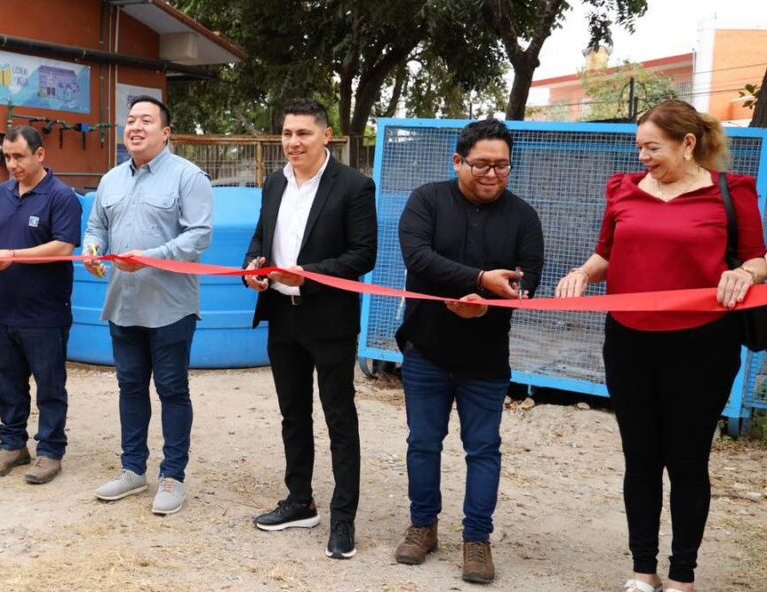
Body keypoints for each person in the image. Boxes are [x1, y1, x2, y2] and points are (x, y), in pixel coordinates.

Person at [555, 100, 765, 592]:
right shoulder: (624, 191)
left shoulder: (731, 193)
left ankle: (683, 576)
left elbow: (758, 258)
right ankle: (642, 570)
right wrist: (583, 273)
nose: (643, 157)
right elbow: (606, 252)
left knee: (688, 459)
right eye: (639, 148)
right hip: (629, 342)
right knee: (641, 458)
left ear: (688, 144)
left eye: (652, 147)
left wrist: (742, 272)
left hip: (703, 345)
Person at [392, 119, 544, 584]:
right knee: (423, 442)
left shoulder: (523, 217)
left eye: (502, 166)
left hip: (486, 357)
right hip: (427, 350)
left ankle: (476, 539)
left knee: (483, 449)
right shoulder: (427, 201)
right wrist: (479, 281)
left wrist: (491, 302)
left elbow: (528, 278)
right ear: (458, 161)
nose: (492, 174)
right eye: (481, 164)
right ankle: (423, 526)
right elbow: (417, 256)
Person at [241, 99, 377, 559]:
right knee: (293, 414)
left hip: (330, 318)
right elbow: (261, 237)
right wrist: (252, 267)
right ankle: (300, 501)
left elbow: (363, 255)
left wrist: (311, 273)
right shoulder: (274, 182)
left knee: (340, 417)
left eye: (303, 133)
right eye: (286, 133)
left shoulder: (355, 186)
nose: (293, 142)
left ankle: (343, 519)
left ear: (326, 135)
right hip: (281, 314)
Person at [84, 95, 213, 515]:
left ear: (166, 131)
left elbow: (199, 236)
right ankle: (132, 469)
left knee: (173, 390)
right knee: (130, 388)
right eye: (130, 120)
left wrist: (152, 255)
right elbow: (97, 225)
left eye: (146, 120)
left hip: (171, 306)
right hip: (123, 302)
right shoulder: (111, 179)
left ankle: (173, 476)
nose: (135, 127)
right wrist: (93, 247)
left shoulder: (188, 178)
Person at [0, 126, 82, 485]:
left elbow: (64, 247)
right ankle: (12, 444)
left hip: (45, 310)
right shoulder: (3, 193)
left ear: (40, 155)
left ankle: (50, 451)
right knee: (6, 380)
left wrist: (14, 256)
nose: (12, 164)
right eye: (6, 157)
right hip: (6, 307)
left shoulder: (61, 196)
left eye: (19, 156)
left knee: (49, 385)